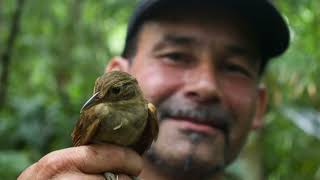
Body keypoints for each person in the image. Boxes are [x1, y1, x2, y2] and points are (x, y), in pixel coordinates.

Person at [18, 0, 290, 179]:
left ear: (260, 105)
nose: (205, 86)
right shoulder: (100, 112)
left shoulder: (146, 112)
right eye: (175, 55)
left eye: (234, 68)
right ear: (116, 71)